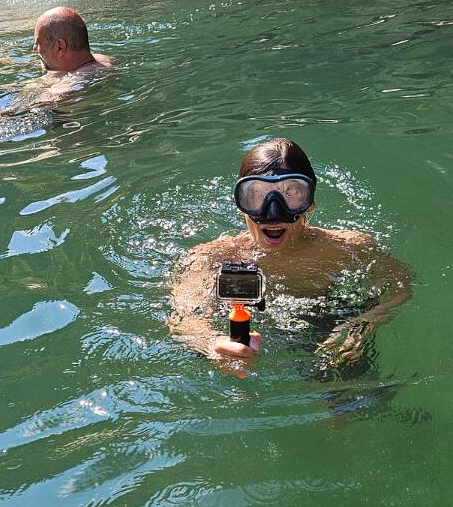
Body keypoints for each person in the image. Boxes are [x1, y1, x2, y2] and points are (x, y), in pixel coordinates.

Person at [169, 138, 412, 369]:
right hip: (243, 332)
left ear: (310, 202)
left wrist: (360, 326)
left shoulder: (346, 247)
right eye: (257, 196)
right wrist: (213, 346)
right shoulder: (212, 257)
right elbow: (184, 320)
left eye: (291, 194)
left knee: (351, 377)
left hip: (325, 333)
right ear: (241, 204)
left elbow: (399, 287)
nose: (273, 212)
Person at [0, 7, 114, 123]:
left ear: (60, 47)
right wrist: (16, 64)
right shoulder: (101, 60)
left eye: (38, 43)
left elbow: (23, 112)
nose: (34, 48)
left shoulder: (71, 85)